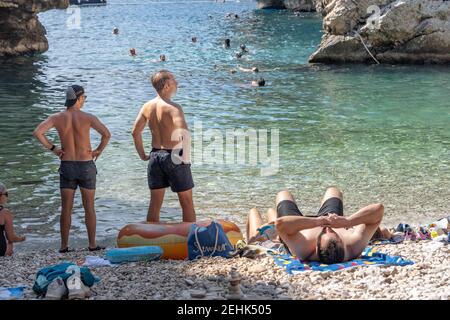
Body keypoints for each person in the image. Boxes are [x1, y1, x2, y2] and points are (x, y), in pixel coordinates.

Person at [33, 85, 111, 253]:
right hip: (86, 165)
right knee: (89, 207)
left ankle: (64, 246)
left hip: (67, 165)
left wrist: (54, 149)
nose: (84, 101)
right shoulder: (88, 117)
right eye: (84, 98)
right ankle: (91, 245)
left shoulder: (57, 117)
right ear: (79, 98)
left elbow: (38, 132)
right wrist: (98, 150)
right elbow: (107, 134)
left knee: (66, 208)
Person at [132, 70, 196, 223]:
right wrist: (185, 159)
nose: (177, 83)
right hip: (174, 155)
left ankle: (151, 240)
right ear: (167, 85)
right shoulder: (173, 108)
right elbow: (184, 134)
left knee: (154, 204)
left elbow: (135, 133)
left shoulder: (147, 106)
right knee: (186, 203)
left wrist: (142, 155)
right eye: (174, 80)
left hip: (155, 156)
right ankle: (191, 239)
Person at [273, 187, 385, 264]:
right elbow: (378, 210)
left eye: (324, 233)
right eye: (333, 233)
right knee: (333, 191)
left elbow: (281, 224)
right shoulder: (353, 245)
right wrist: (347, 221)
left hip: (297, 226)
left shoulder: (303, 248)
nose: (327, 229)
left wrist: (316, 222)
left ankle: (268, 215)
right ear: (342, 243)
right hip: (328, 219)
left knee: (283, 194)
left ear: (316, 247)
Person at [0, 183, 26, 257]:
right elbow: (11, 237)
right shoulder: (4, 212)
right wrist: (22, 238)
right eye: (6, 194)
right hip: (1, 252)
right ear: (1, 195)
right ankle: (7, 255)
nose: (7, 197)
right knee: (10, 241)